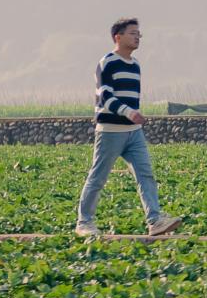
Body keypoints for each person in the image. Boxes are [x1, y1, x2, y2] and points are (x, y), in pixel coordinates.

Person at [75, 17, 182, 238]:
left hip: (133, 133)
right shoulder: (107, 62)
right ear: (118, 37)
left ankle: (155, 221)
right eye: (133, 33)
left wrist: (132, 116)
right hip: (110, 131)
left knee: (146, 175)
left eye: (139, 34)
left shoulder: (135, 65)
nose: (137, 37)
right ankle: (84, 222)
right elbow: (105, 97)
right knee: (98, 177)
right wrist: (129, 113)